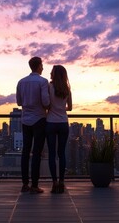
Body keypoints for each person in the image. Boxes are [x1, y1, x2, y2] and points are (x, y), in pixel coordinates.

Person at [16, 56, 50, 194]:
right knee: (37, 152)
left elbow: (19, 102)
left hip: (25, 120)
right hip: (39, 119)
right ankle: (35, 185)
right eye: (42, 65)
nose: (43, 68)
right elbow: (46, 102)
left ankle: (25, 184)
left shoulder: (21, 82)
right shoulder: (43, 81)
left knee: (25, 151)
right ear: (39, 66)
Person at [46, 65, 72, 194]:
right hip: (63, 123)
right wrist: (61, 109)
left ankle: (54, 182)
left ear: (55, 74)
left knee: (52, 154)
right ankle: (62, 182)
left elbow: (46, 104)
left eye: (52, 72)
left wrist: (52, 109)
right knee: (61, 154)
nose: (50, 73)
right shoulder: (67, 89)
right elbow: (70, 108)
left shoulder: (49, 87)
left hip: (50, 122)